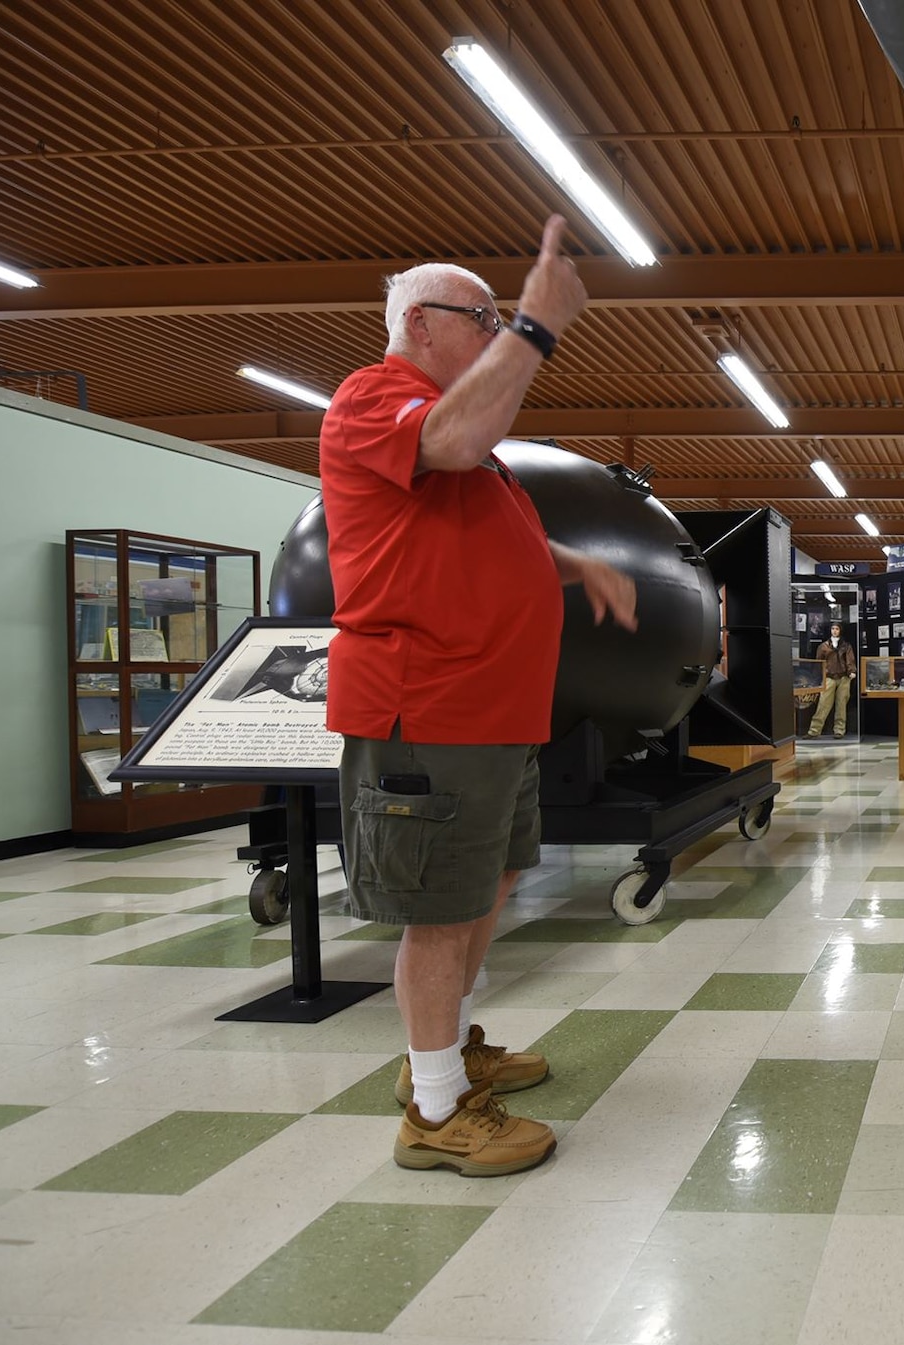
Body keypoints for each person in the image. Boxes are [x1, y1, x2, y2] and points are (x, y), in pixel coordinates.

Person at [321, 217, 638, 1177]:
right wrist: (537, 327)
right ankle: (433, 1110)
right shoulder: (375, 398)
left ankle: (448, 1054)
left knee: (483, 886)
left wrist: (567, 560)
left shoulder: (448, 430)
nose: (496, 326)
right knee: (440, 910)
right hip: (430, 709)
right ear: (421, 324)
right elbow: (455, 443)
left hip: (492, 715)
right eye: (482, 316)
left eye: (503, 315)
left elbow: (460, 529)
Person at [807, 623, 855, 738]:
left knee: (841, 704)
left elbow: (850, 659)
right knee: (823, 704)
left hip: (844, 677)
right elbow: (819, 662)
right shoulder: (823, 646)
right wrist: (817, 677)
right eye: (833, 629)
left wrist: (852, 670)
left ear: (840, 630)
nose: (834, 631)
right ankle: (814, 730)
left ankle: (839, 730)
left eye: (837, 629)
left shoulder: (846, 646)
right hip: (828, 677)